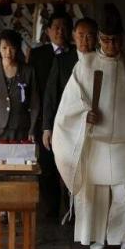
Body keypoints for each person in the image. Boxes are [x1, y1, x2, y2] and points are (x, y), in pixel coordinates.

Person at [52, 4, 125, 249]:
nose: (112, 46)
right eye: (107, 40)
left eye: (116, 40)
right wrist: (83, 116)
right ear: (100, 39)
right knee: (96, 194)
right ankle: (97, 236)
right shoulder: (85, 65)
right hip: (98, 141)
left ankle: (123, 236)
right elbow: (69, 104)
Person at [28, 11, 73, 220]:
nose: (60, 31)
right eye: (56, 27)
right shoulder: (38, 55)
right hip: (44, 118)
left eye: (64, 28)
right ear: (48, 31)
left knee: (70, 167)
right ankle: (51, 209)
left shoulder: (76, 55)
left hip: (70, 120)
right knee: (46, 167)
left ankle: (71, 209)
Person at [42, 17, 98, 150]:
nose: (85, 40)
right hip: (67, 124)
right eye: (80, 35)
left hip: (96, 125)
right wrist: (47, 128)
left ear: (97, 37)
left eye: (89, 36)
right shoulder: (62, 61)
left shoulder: (103, 61)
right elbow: (50, 96)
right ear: (73, 35)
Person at [0, 29, 39, 142]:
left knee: (19, 160)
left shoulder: (28, 71)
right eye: (4, 48)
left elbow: (34, 103)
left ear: (17, 49)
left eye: (12, 48)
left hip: (21, 129)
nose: (8, 52)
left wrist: (32, 129)